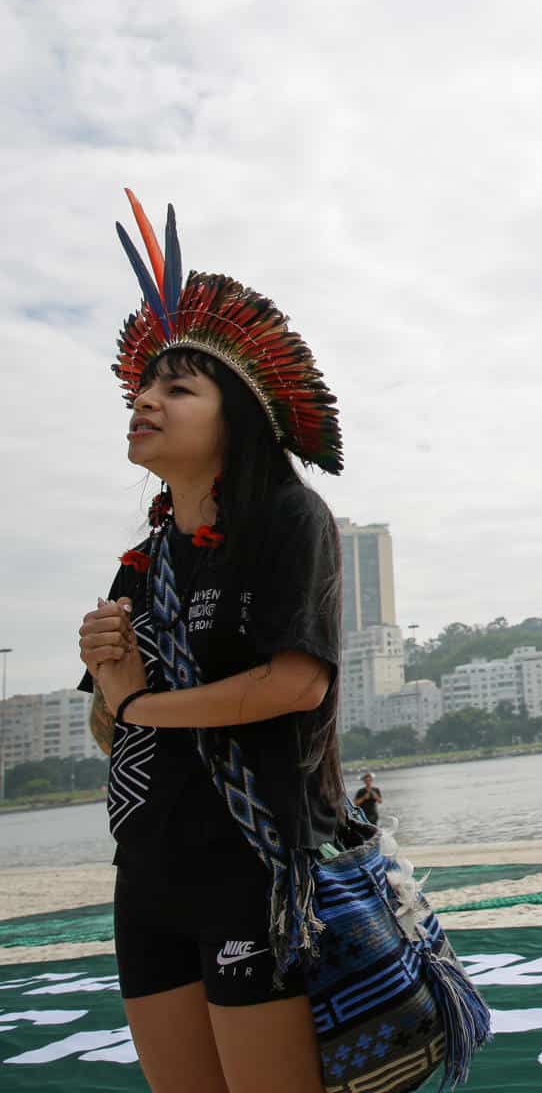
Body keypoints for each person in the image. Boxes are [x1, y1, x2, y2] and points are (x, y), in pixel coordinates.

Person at [75, 193, 350, 1092]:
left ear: (236, 414)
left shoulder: (286, 517)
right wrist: (110, 677)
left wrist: (143, 699)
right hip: (146, 870)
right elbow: (116, 734)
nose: (145, 401)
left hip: (252, 861)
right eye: (142, 389)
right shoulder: (141, 561)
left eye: (177, 388)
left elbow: (295, 684)